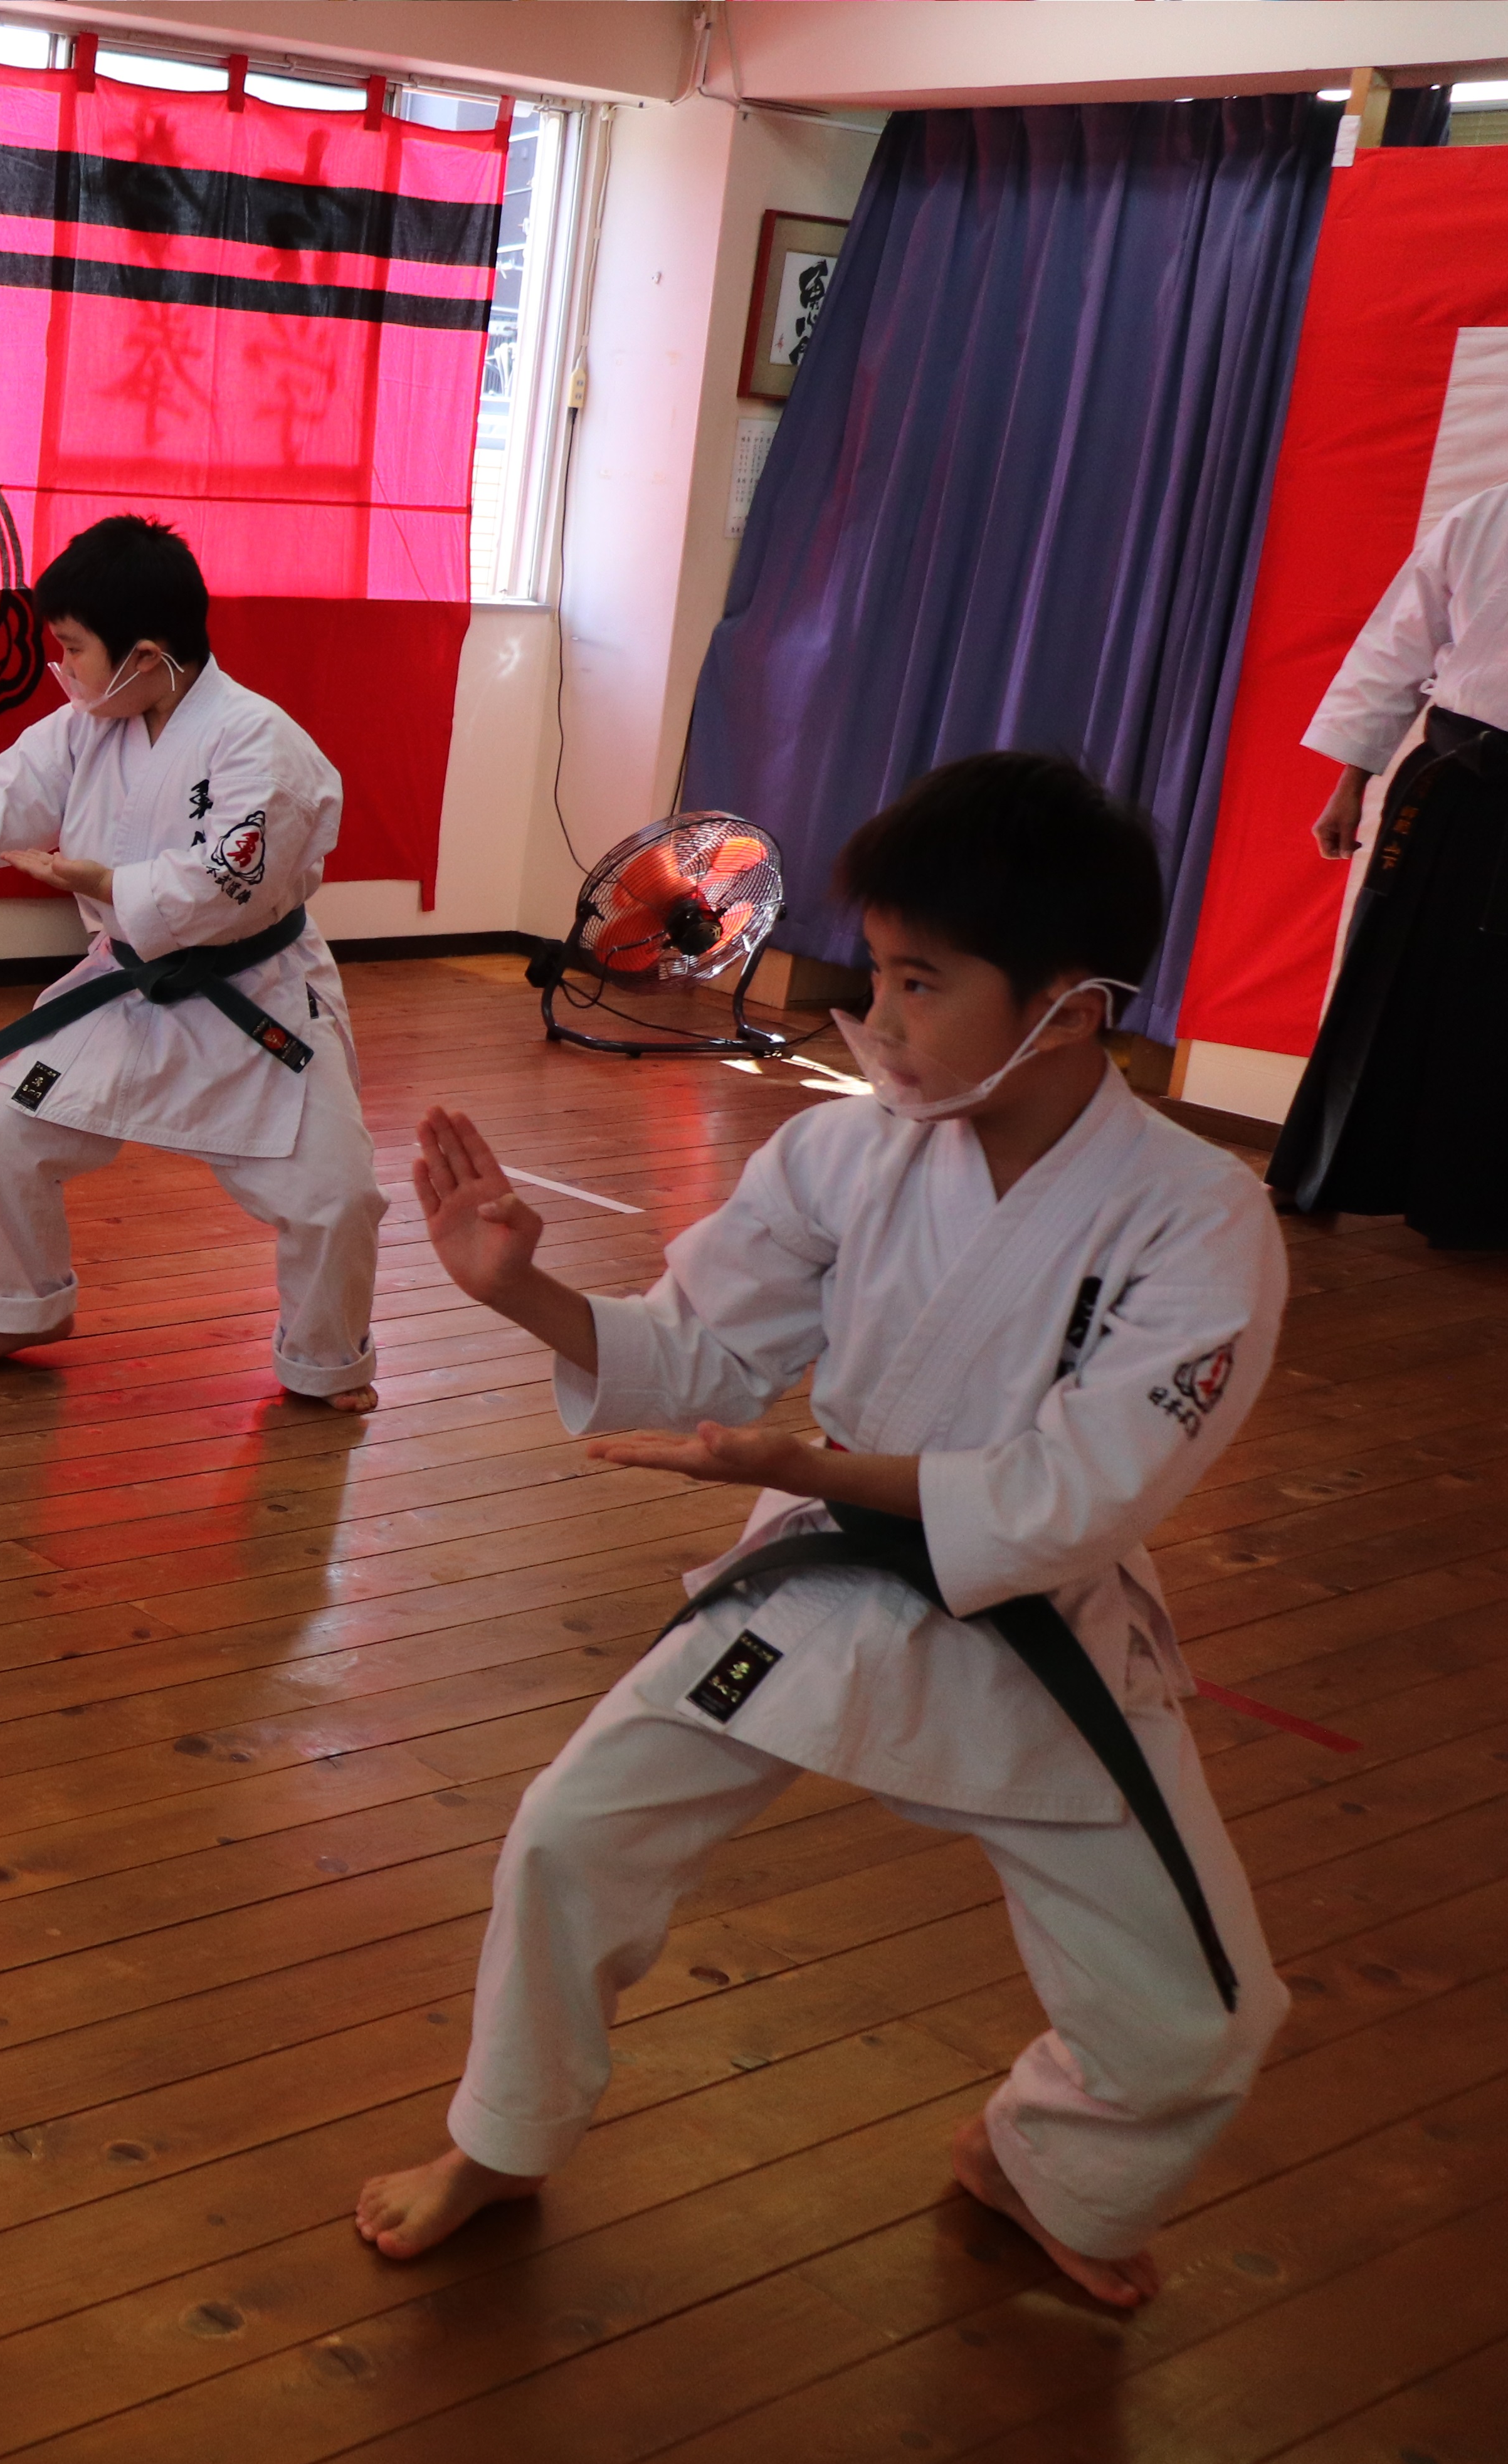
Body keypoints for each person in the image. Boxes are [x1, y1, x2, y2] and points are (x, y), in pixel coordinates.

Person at [356, 754, 1290, 2309]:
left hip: (1037, 1628)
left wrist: (807, 1462)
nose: (879, 1015)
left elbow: (1084, 1495)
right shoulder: (845, 1152)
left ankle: (1038, 2161)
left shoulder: (1198, 1219)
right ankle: (503, 2140)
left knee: (1200, 2014)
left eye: (921, 983)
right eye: (879, 971)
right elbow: (694, 1354)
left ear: (1067, 1007)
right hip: (816, 1597)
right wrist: (519, 1290)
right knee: (574, 1834)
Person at [0, 515, 386, 1411]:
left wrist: (104, 881)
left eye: (75, 649)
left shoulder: (261, 743)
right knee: (3, 1126)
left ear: (146, 657)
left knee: (335, 1194)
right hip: (129, 991)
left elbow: (233, 879)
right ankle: (21, 1306)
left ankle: (326, 1360)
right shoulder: (87, 727)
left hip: (254, 997)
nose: (64, 668)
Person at [1269, 482, 1508, 1248]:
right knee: (1383, 974)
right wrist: (1351, 782)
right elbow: (1396, 649)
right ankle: (1320, 1168)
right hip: (1451, 782)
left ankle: (1472, 1208)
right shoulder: (1485, 516)